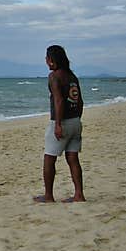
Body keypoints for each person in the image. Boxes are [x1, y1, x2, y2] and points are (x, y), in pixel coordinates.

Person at [34, 44, 85, 203]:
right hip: (76, 121)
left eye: (47, 57)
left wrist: (58, 124)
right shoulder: (71, 76)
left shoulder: (54, 76)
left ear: (51, 60)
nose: (45, 61)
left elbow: (58, 100)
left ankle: (48, 196)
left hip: (62, 122)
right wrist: (76, 119)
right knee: (73, 159)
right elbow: (80, 101)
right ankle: (79, 194)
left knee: (49, 159)